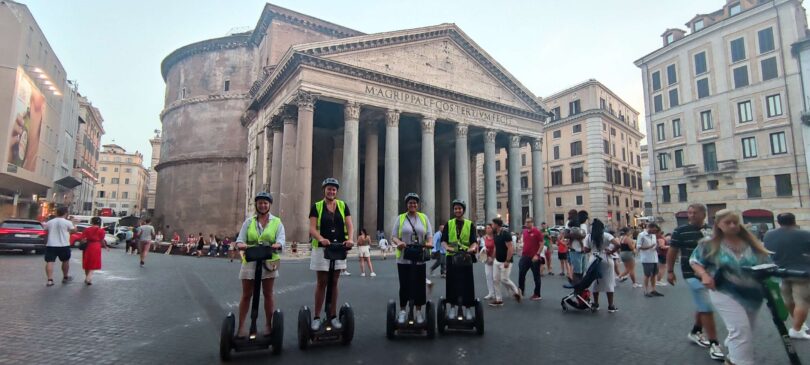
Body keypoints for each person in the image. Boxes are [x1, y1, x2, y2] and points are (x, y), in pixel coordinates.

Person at [690, 209, 771, 365]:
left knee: (745, 330)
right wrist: (705, 275)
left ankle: (733, 352)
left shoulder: (752, 243)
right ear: (718, 225)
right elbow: (695, 261)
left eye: (736, 222)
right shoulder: (709, 244)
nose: (733, 226)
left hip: (752, 293)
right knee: (741, 330)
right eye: (728, 222)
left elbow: (766, 261)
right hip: (723, 290)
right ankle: (740, 361)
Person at [667, 203, 724, 361]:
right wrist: (670, 271)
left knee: (703, 303)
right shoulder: (680, 231)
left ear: (703, 214)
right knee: (706, 306)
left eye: (694, 213)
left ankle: (695, 331)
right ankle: (714, 343)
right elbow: (672, 251)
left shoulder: (710, 230)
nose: (691, 215)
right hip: (690, 272)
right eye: (689, 213)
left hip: (710, 272)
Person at [234, 192, 285, 338]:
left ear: (269, 205)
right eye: (260, 203)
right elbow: (240, 240)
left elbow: (281, 240)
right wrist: (243, 245)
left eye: (265, 203)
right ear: (256, 205)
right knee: (246, 295)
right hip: (250, 260)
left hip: (269, 261)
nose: (263, 205)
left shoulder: (277, 222)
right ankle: (241, 327)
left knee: (268, 294)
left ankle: (269, 325)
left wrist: (276, 245)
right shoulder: (249, 222)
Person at [308, 178, 354, 331]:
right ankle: (316, 316)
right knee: (322, 282)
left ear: (336, 191)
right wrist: (321, 239)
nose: (331, 191)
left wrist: (350, 239)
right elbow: (312, 228)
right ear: (324, 190)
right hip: (322, 248)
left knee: (334, 282)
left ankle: (333, 316)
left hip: (338, 247)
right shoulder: (316, 207)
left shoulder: (342, 206)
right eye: (329, 189)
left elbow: (350, 225)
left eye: (334, 189)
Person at [764, 212, 810, 339]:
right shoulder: (804, 234)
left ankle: (800, 325)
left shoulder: (769, 234)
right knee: (802, 301)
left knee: (789, 300)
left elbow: (768, 250)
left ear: (778, 222)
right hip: (802, 272)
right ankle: (796, 329)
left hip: (781, 272)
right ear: (794, 221)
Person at [391, 193, 433, 324]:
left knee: (419, 285)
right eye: (410, 203)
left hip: (419, 256)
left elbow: (429, 234)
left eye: (414, 202)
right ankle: (403, 311)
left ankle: (419, 311)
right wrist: (399, 243)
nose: (412, 205)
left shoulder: (424, 218)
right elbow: (393, 236)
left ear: (418, 204)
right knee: (404, 285)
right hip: (404, 256)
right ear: (406, 205)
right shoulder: (400, 218)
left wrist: (429, 243)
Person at [441, 199, 479, 318]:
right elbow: (443, 241)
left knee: (467, 283)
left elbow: (474, 242)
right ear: (453, 210)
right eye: (456, 208)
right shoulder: (449, 223)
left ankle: (467, 308)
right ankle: (452, 307)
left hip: (465, 257)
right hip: (452, 256)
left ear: (463, 210)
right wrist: (447, 248)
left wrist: (472, 248)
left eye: (460, 208)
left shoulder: (470, 224)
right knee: (451, 283)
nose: (458, 210)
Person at [583, 218, 619, 312]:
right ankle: (610, 305)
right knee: (609, 281)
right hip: (606, 258)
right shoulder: (607, 235)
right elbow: (618, 244)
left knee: (595, 281)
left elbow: (586, 250)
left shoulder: (589, 237)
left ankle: (596, 304)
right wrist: (611, 251)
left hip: (594, 258)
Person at [489, 217, 521, 306]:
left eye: (493, 224)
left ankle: (516, 292)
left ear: (497, 225)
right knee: (495, 280)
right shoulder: (495, 234)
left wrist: (507, 260)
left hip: (506, 261)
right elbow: (496, 247)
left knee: (504, 279)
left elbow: (510, 248)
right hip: (497, 260)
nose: (491, 226)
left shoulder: (505, 234)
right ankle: (498, 300)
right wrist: (492, 257)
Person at [43, 206, 76, 286]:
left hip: (51, 244)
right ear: (66, 213)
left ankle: (50, 280)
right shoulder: (68, 222)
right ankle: (65, 277)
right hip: (64, 245)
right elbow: (74, 231)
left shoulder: (50, 222)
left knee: (50, 262)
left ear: (57, 213)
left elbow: (45, 231)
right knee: (65, 261)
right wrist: (74, 223)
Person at [518, 217, 544, 301]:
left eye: (529, 222)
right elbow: (525, 243)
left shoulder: (537, 232)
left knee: (536, 276)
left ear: (532, 223)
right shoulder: (524, 232)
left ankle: (537, 294)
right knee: (521, 274)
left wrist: (537, 255)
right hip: (525, 256)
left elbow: (541, 244)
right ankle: (521, 291)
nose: (527, 224)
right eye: (526, 222)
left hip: (534, 258)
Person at [80, 217, 109, 285]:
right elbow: (102, 240)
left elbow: (82, 239)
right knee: (94, 262)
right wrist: (105, 247)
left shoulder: (87, 230)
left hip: (88, 246)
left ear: (92, 222)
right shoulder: (101, 231)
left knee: (87, 262)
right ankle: (88, 278)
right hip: (96, 246)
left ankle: (87, 277)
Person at [638, 223, 663, 297]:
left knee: (655, 274)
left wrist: (657, 247)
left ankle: (653, 290)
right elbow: (639, 247)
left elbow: (654, 245)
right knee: (647, 275)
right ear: (650, 228)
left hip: (654, 257)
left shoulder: (654, 235)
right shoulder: (641, 235)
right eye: (654, 230)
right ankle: (645, 290)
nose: (655, 232)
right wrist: (649, 247)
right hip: (646, 258)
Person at [565, 210, 587, 283]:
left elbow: (584, 236)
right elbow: (566, 234)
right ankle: (577, 287)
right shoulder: (569, 223)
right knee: (577, 272)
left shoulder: (583, 224)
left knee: (582, 271)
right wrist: (576, 235)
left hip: (582, 251)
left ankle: (579, 285)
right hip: (575, 250)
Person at [482, 224, 497, 300]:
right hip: (487, 258)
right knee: (488, 276)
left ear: (492, 229)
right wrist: (486, 256)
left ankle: (497, 293)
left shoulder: (495, 237)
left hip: (495, 258)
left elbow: (495, 248)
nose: (487, 229)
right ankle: (491, 293)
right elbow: (481, 247)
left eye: (489, 228)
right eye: (486, 228)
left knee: (496, 277)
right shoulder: (484, 237)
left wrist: (492, 257)